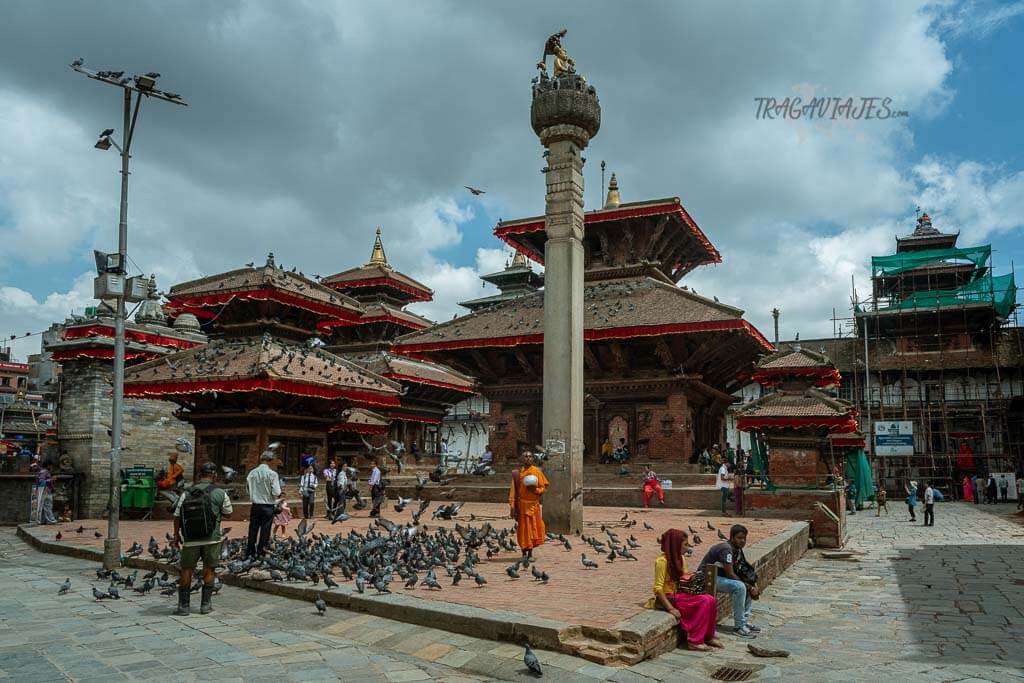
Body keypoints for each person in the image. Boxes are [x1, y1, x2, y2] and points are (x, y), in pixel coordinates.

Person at [645, 529, 723, 651]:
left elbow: (683, 577)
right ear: (675, 545)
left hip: (679, 594)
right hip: (668, 598)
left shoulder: (680, 558)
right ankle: (694, 641)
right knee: (703, 601)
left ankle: (708, 635)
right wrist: (670, 608)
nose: (687, 548)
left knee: (711, 599)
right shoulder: (662, 561)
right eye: (685, 545)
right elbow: (658, 588)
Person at [173, 462, 232, 616]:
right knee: (209, 569)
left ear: (199, 475)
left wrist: (176, 535)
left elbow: (177, 515)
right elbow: (228, 513)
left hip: (190, 538)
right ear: (214, 475)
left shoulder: (186, 492)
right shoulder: (220, 492)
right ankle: (205, 605)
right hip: (211, 538)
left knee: (186, 570)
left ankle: (183, 606)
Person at [698, 524, 759, 639]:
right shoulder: (726, 549)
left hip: (720, 577)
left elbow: (746, 569)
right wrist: (748, 587)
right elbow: (730, 573)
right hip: (708, 577)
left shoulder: (738, 550)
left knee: (747, 586)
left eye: (744, 538)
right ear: (732, 537)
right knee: (740, 587)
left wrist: (753, 585)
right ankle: (739, 626)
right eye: (739, 538)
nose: (742, 541)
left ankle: (744, 621)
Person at [509, 451, 549, 559]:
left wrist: (535, 490)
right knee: (523, 530)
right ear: (522, 459)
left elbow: (543, 487)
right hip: (522, 506)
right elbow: (513, 491)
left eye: (530, 456)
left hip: (533, 506)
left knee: (533, 529)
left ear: (533, 459)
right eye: (525, 456)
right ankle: (523, 552)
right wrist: (512, 506)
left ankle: (530, 553)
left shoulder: (536, 471)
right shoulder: (517, 474)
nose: (528, 458)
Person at [245, 449, 282, 558]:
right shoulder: (272, 474)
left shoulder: (252, 473)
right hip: (268, 506)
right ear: (270, 460)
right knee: (265, 530)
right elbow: (276, 492)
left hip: (255, 505)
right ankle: (261, 553)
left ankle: (250, 553)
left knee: (253, 529)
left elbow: (248, 489)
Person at [34, 459, 58, 525]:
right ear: (48, 466)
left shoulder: (45, 472)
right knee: (47, 506)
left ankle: (44, 520)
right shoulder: (44, 472)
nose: (52, 467)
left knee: (45, 506)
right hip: (45, 491)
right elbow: (41, 482)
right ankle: (50, 520)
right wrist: (51, 479)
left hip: (47, 491)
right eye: (51, 466)